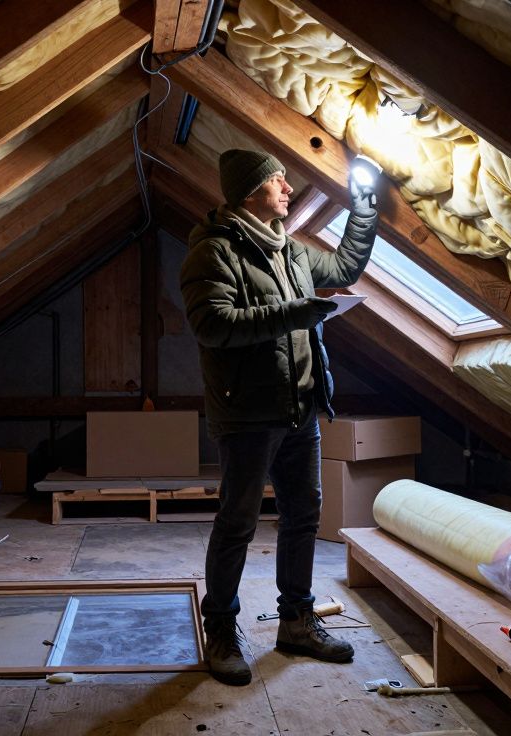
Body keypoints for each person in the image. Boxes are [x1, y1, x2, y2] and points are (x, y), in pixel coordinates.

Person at [179, 148, 379, 685]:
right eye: (278, 181)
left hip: (300, 407)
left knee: (303, 517)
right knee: (238, 523)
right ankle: (220, 628)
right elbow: (213, 325)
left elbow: (344, 267)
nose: (288, 189)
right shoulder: (213, 253)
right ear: (251, 192)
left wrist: (364, 207)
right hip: (246, 413)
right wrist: (296, 312)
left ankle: (296, 622)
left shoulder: (291, 251)